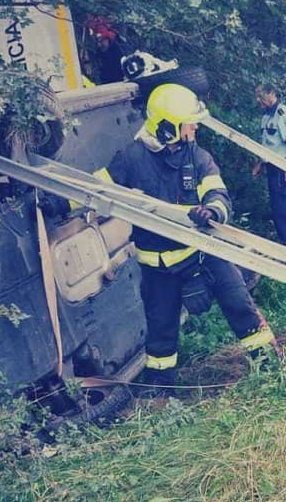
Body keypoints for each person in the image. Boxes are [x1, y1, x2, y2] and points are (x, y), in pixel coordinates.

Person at [95, 84, 276, 392]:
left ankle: (270, 366)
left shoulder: (198, 157)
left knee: (238, 303)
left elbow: (218, 194)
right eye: (187, 123)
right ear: (167, 127)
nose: (193, 128)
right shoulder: (130, 159)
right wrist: (58, 202)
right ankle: (161, 391)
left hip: (203, 253)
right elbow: (97, 189)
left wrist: (213, 212)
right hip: (158, 269)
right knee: (161, 331)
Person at [253, 84, 286, 245]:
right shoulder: (266, 117)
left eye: (261, 96)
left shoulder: (285, 114)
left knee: (284, 206)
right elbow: (267, 144)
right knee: (276, 206)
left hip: (284, 166)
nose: (258, 100)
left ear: (271, 94)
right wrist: (260, 164)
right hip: (271, 167)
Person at [84, 15, 127, 84]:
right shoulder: (98, 53)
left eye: (101, 41)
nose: (99, 44)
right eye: (98, 42)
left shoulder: (117, 51)